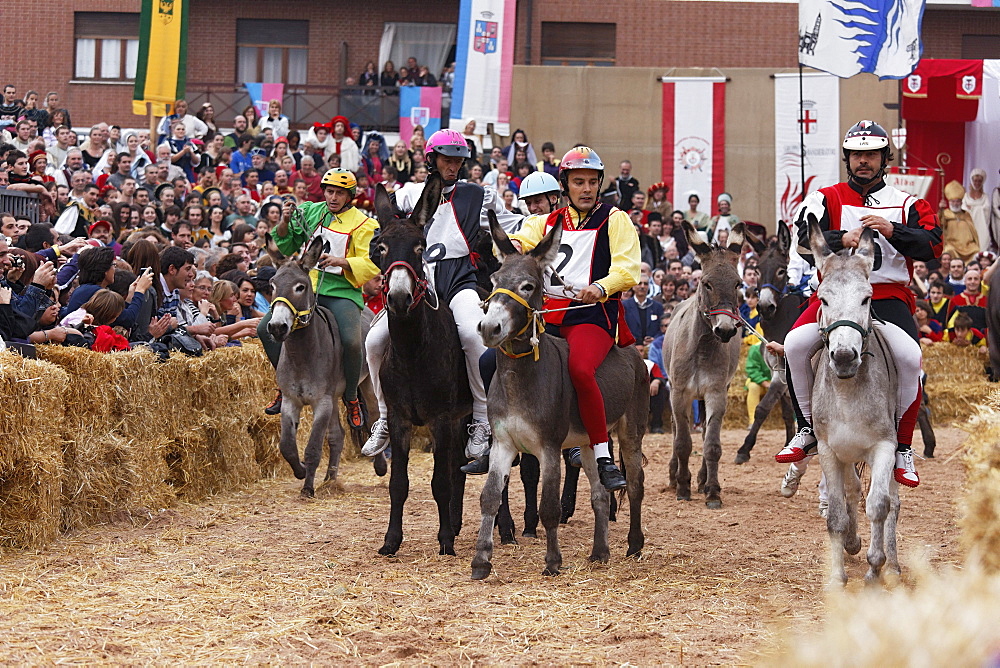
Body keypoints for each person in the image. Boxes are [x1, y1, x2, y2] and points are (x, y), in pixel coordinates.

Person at [775, 120, 942, 492]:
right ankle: (806, 429)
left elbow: (933, 245)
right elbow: (802, 240)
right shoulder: (825, 197)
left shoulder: (909, 202)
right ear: (847, 159)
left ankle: (902, 446)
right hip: (836, 297)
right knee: (796, 346)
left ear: (884, 158)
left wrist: (892, 229)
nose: (863, 161)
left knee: (911, 360)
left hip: (889, 296)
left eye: (871, 154)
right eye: (856, 155)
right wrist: (840, 237)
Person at [361, 129, 523, 466]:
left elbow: (511, 223)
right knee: (374, 341)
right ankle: (384, 417)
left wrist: (532, 228)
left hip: (458, 281)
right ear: (432, 160)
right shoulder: (408, 194)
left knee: (471, 337)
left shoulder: (478, 195)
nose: (453, 166)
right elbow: (385, 226)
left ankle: (480, 420)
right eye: (447, 160)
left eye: (458, 161)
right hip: (420, 283)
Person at [501, 146, 640, 490]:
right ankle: (497, 436)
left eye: (592, 182)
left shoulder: (615, 219)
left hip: (591, 315)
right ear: (565, 185)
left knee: (579, 368)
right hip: (547, 317)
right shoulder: (545, 222)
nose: (587, 189)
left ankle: (603, 454)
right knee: (496, 357)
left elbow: (628, 268)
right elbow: (517, 246)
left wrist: (601, 286)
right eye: (579, 182)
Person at [259, 168, 379, 429]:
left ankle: (350, 398)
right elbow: (287, 246)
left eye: (339, 193)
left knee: (352, 342)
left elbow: (372, 262)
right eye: (329, 191)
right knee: (262, 327)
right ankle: (283, 386)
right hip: (307, 289)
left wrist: (342, 261)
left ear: (351, 196)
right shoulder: (312, 212)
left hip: (342, 291)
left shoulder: (365, 224)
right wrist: (283, 221)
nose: (333, 197)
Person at [939, 180, 979, 264]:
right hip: (952, 244)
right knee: (949, 250)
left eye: (958, 201)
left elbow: (973, 231)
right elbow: (940, 224)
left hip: (967, 245)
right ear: (949, 202)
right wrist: (941, 210)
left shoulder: (966, 214)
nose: (955, 203)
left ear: (961, 202)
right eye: (953, 201)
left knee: (976, 250)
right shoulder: (945, 213)